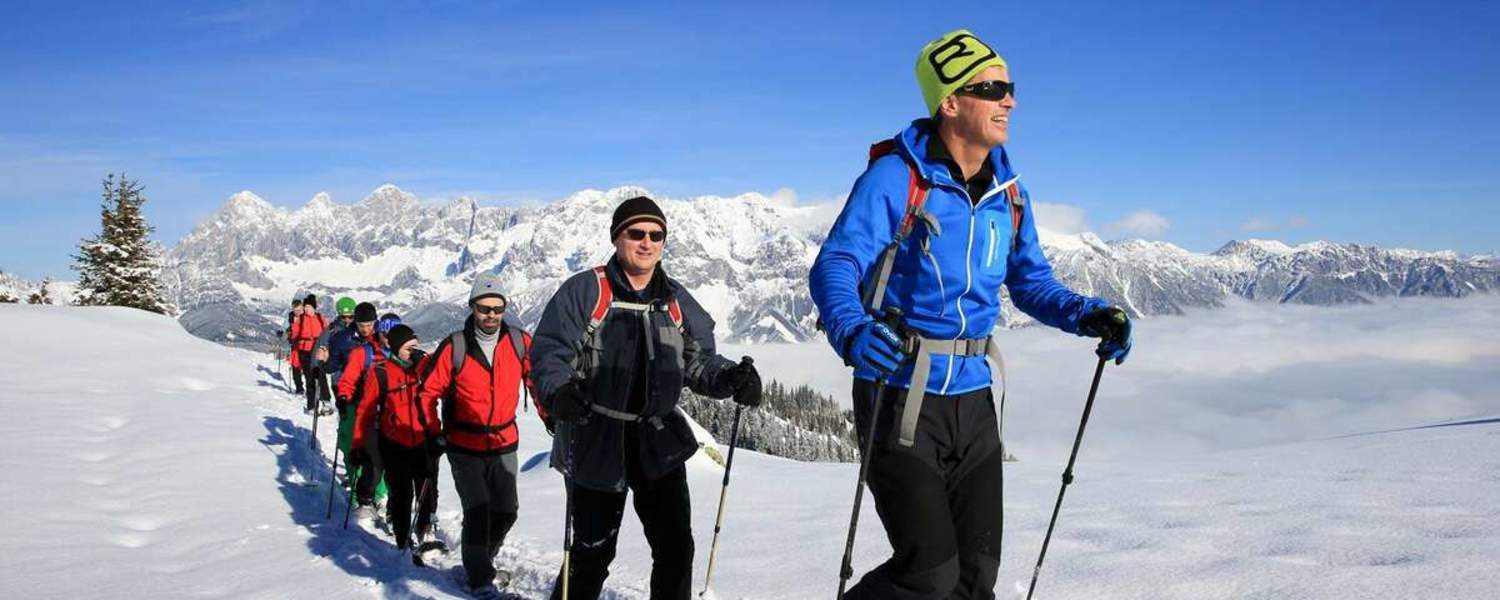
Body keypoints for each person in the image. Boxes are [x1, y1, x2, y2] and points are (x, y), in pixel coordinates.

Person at [808, 29, 1134, 600]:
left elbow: (1030, 281)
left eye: (1011, 87)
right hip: (900, 393)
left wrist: (1089, 315)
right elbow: (837, 261)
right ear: (950, 102)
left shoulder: (1009, 191)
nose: (1009, 99)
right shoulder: (897, 177)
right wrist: (851, 327)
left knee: (976, 576)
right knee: (927, 574)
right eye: (992, 88)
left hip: (975, 400)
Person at [531, 196, 762, 600]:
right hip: (595, 438)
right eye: (636, 233)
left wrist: (730, 378)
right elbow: (549, 351)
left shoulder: (675, 299)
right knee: (591, 553)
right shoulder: (586, 290)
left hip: (658, 439)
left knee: (676, 549)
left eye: (656, 235)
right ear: (617, 238)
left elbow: (697, 361)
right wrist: (560, 390)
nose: (647, 242)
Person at [417, 272, 534, 597]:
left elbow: (536, 380)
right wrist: (433, 432)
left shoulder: (519, 342)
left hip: (503, 441)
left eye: (497, 308)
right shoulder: (455, 346)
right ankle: (480, 579)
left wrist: (553, 416)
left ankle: (482, 559)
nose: (491, 315)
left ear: (505, 308)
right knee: (478, 509)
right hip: (463, 444)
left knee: (506, 510)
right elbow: (427, 393)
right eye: (484, 308)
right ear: (472, 308)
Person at [349, 323, 439, 565]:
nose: (414, 351)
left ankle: (424, 529)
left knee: (426, 490)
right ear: (397, 348)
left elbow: (440, 379)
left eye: (415, 347)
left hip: (422, 440)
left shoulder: (424, 369)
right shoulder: (381, 373)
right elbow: (365, 412)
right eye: (409, 348)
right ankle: (402, 538)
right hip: (394, 442)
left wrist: (437, 435)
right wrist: (358, 444)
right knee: (402, 494)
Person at [334, 302, 390, 511]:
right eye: (361, 324)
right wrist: (342, 397)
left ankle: (381, 493)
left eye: (369, 324)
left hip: (381, 408)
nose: (365, 328)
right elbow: (346, 377)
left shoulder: (383, 344)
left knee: (379, 452)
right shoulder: (347, 341)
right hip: (356, 404)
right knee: (354, 449)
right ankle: (359, 493)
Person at [290, 293, 331, 413]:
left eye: (308, 306)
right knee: (309, 378)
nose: (306, 309)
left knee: (321, 375)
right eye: (305, 306)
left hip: (318, 349)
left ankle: (326, 401)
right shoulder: (301, 319)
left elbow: (327, 331)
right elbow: (294, 334)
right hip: (305, 351)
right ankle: (311, 405)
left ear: (313, 307)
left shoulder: (320, 317)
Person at [287, 297, 305, 395]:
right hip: (295, 345)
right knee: (295, 366)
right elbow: (289, 328)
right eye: (295, 310)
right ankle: (299, 388)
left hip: (306, 346)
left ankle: (311, 389)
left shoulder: (307, 317)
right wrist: (289, 333)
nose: (297, 312)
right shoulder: (291, 317)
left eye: (299, 310)